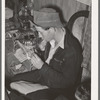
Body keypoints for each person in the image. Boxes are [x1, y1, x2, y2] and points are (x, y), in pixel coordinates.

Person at [9, 7, 83, 100]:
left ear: (52, 29)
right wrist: (38, 52)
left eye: (41, 32)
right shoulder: (53, 38)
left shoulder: (72, 51)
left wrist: (42, 67)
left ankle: (40, 90)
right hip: (44, 76)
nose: (39, 36)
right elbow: (50, 60)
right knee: (12, 80)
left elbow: (67, 83)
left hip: (56, 88)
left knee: (14, 88)